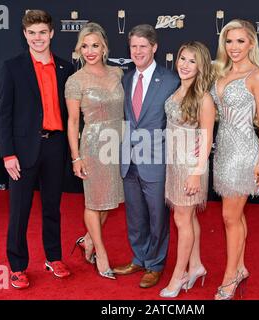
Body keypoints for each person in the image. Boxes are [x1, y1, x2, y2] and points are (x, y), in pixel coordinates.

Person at [0, 10, 73, 289]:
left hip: (55, 146)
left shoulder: (66, 68)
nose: (38, 38)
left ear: (51, 33)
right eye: (32, 33)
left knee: (52, 207)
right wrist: (7, 153)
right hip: (23, 150)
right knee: (19, 210)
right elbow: (3, 114)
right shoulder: (12, 67)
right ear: (25, 35)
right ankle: (17, 266)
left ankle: (54, 257)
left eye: (42, 32)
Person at [112, 24, 180, 288]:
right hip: (129, 160)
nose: (138, 51)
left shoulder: (171, 80)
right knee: (135, 215)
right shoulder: (126, 78)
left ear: (154, 47)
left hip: (156, 160)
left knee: (157, 217)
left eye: (143, 46)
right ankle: (139, 258)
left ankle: (155, 264)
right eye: (133, 47)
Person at [210, 19, 259, 300]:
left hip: (244, 150)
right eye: (229, 41)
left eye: (240, 41)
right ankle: (241, 266)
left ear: (251, 44)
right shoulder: (219, 72)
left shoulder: (258, 77)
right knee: (236, 215)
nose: (233, 47)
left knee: (229, 216)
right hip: (223, 149)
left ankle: (230, 275)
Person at [65, 22, 124, 280]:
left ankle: (88, 240)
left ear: (104, 48)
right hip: (92, 146)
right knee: (94, 201)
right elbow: (73, 122)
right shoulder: (75, 80)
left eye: (95, 46)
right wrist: (76, 156)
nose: (90, 51)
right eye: (85, 46)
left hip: (117, 145)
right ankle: (101, 252)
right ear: (79, 49)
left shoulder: (118, 73)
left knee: (108, 201)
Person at [159, 42, 215, 298]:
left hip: (191, 167)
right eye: (182, 58)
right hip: (174, 164)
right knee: (187, 218)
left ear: (201, 65)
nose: (185, 64)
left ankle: (179, 275)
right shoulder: (178, 90)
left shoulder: (204, 98)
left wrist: (196, 172)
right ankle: (196, 266)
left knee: (182, 219)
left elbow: (206, 139)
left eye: (192, 61)